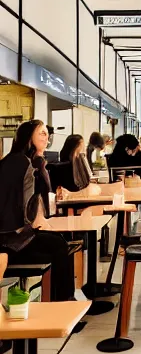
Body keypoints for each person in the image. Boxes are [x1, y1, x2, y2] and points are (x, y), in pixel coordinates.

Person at [0, 120, 75, 301]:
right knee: (58, 246)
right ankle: (62, 304)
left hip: (13, 235)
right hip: (11, 239)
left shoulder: (20, 160)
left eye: (46, 133)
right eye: (41, 133)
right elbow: (24, 204)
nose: (46, 136)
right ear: (28, 137)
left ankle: (62, 302)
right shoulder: (21, 162)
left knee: (60, 243)